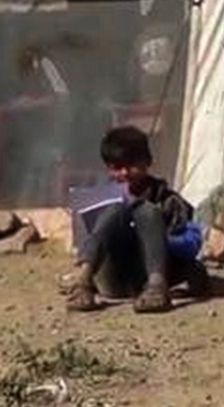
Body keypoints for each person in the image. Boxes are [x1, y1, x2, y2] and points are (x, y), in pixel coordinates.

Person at [65, 126, 206, 314]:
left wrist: (161, 241)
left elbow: (191, 241)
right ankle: (82, 284)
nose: (124, 173)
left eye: (131, 165)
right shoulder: (102, 198)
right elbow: (87, 240)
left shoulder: (169, 201)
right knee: (115, 210)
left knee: (147, 211)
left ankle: (157, 289)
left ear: (148, 162)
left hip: (153, 274)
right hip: (113, 279)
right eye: (117, 167)